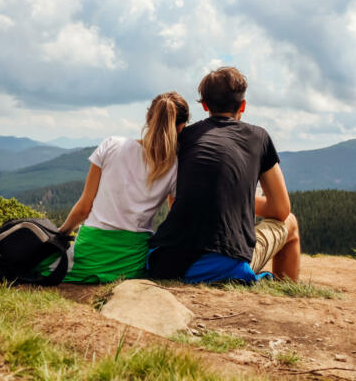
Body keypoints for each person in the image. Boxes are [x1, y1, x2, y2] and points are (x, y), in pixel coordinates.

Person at [147, 67, 301, 283]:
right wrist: (238, 199)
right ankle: (286, 295)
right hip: (224, 267)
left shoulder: (186, 137)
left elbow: (175, 201)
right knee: (291, 223)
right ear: (243, 106)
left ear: (205, 105)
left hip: (165, 262)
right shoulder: (259, 138)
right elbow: (281, 209)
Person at [34, 92, 190, 283]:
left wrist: (60, 235)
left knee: (36, 265)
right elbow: (175, 217)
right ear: (181, 128)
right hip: (133, 262)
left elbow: (84, 208)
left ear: (148, 118)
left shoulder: (111, 145)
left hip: (92, 250)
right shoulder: (175, 166)